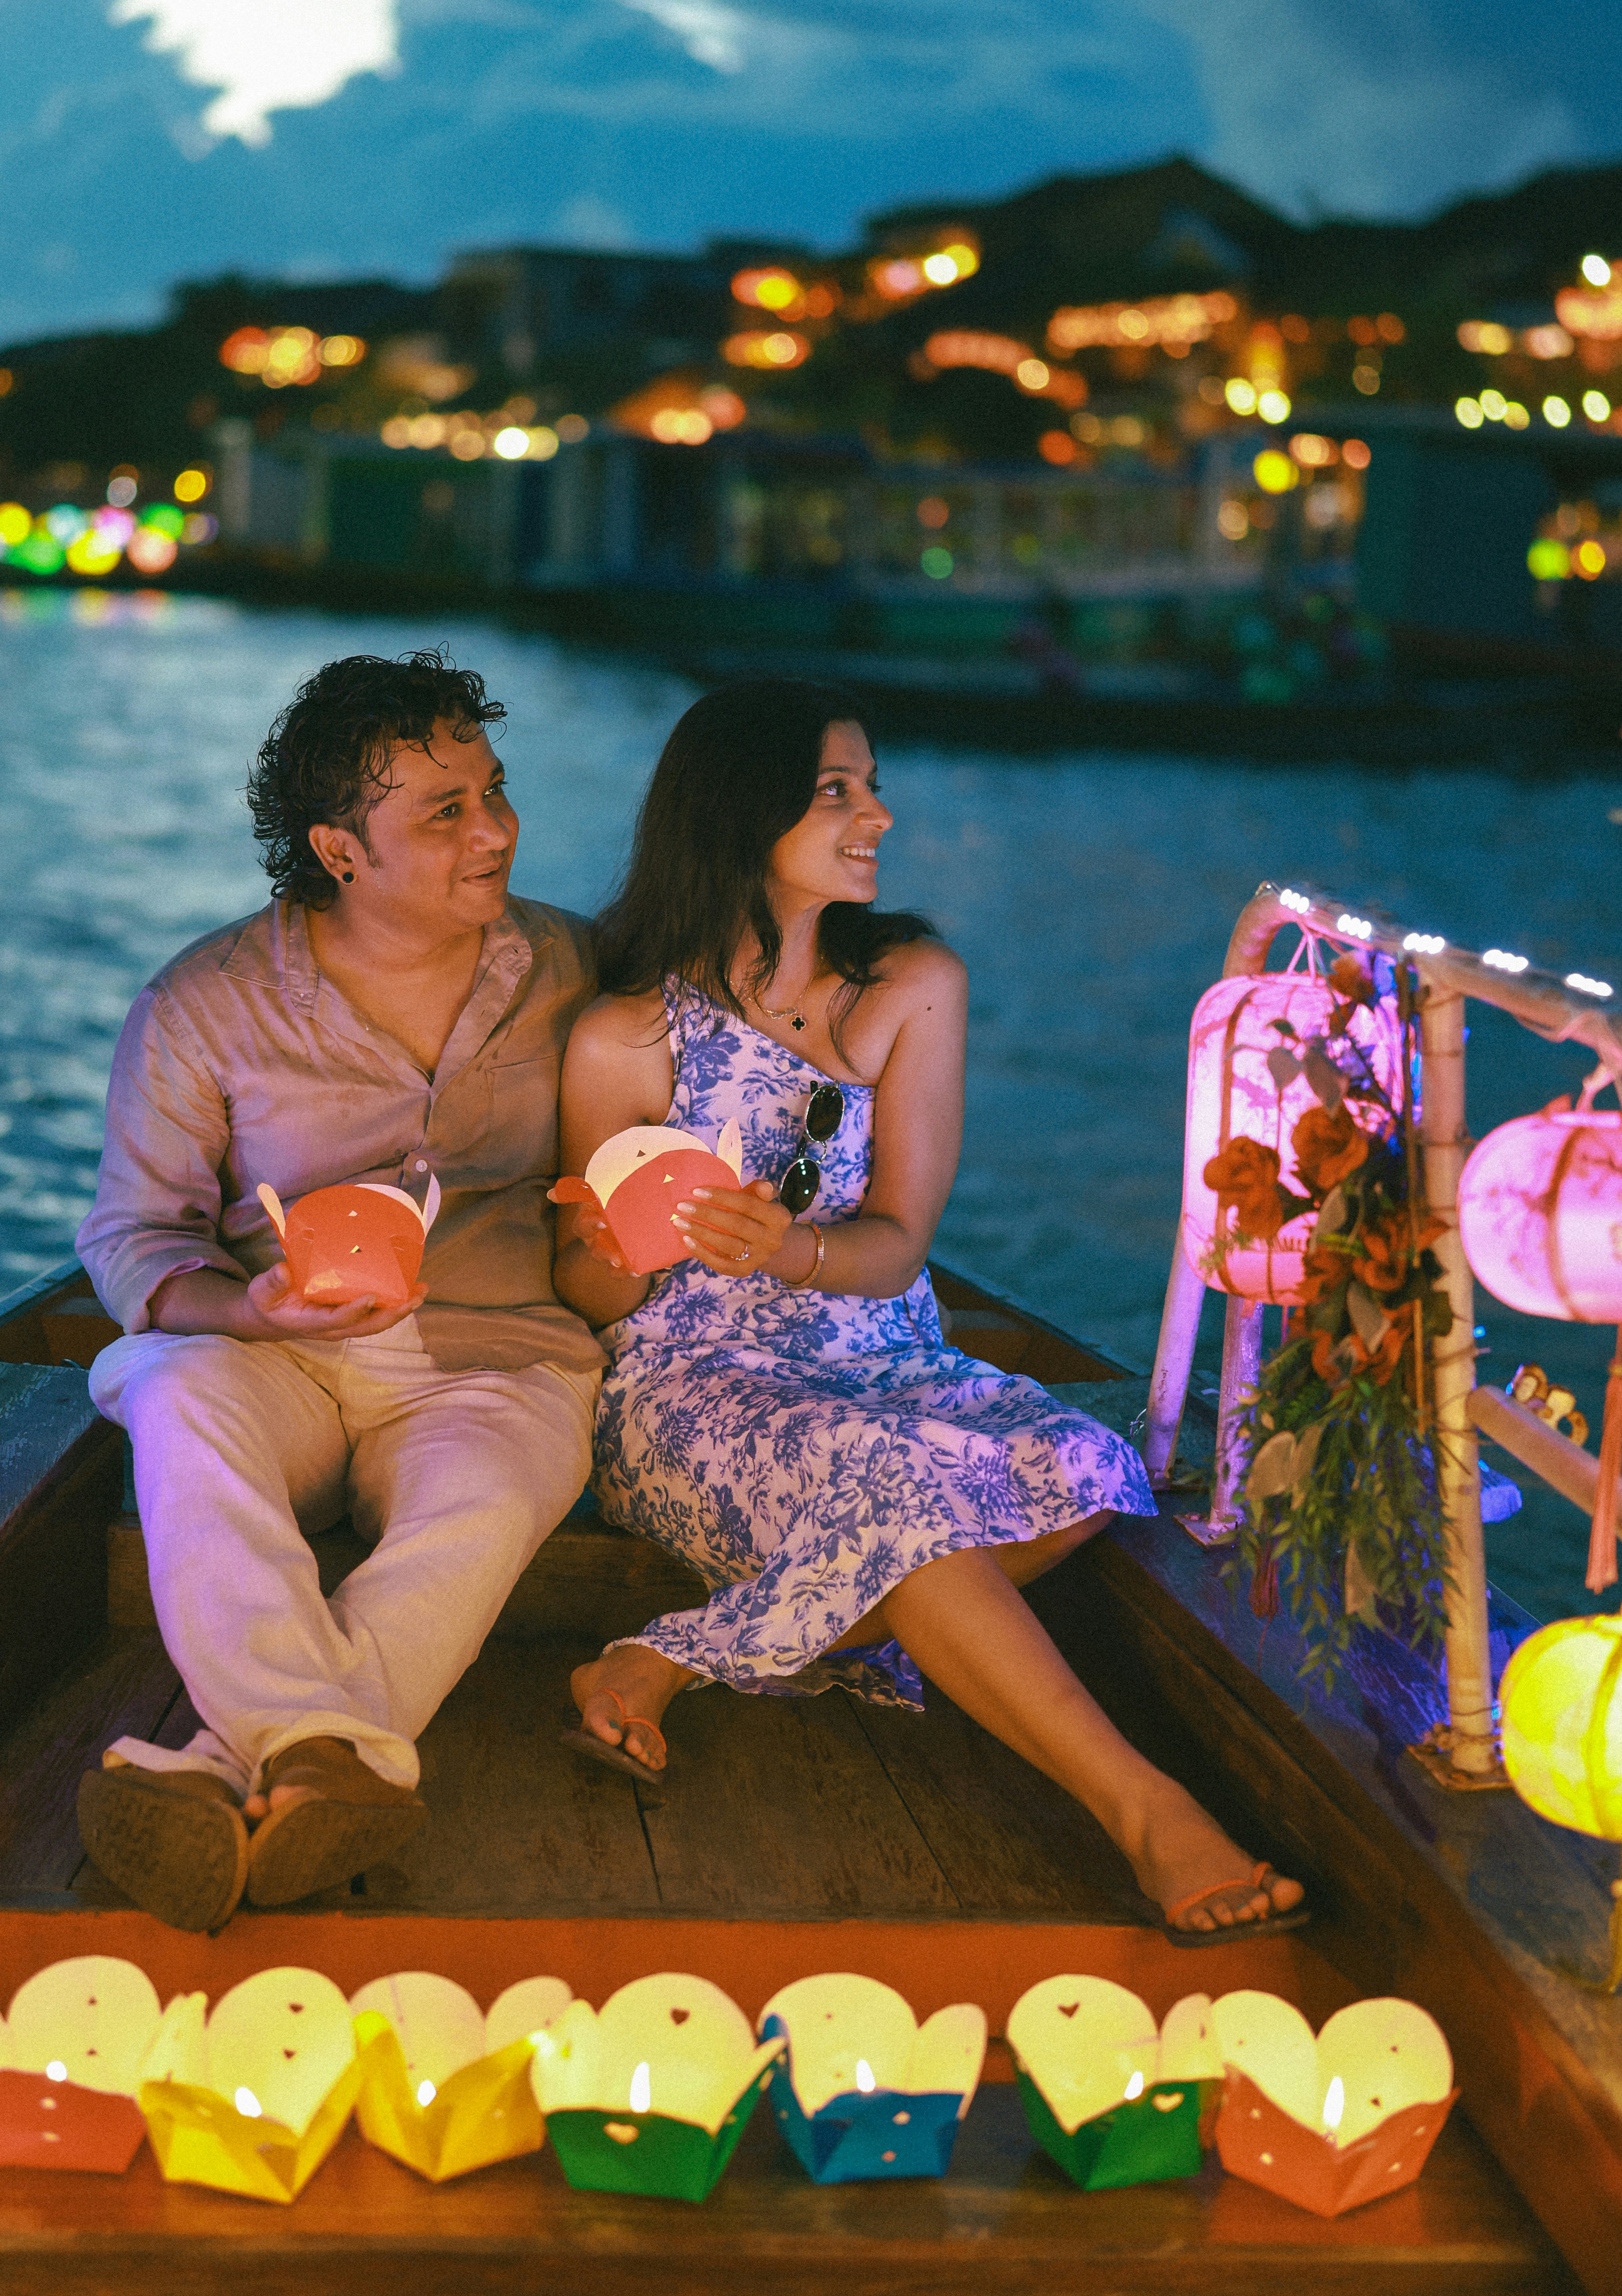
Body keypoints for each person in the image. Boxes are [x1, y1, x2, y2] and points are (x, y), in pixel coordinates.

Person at [551, 681, 1306, 1945]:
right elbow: (591, 1296)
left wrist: (790, 1249)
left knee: (1087, 1457)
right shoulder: (625, 1038)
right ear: (743, 812)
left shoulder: (909, 983)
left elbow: (900, 1242)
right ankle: (1144, 1811)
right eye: (838, 790)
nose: (879, 817)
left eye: (870, 784)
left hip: (880, 1346)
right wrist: (605, 1249)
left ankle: (666, 1657)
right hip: (690, 1383)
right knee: (901, 1502)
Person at [75, 651, 602, 1931]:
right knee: (177, 1400)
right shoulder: (205, 1004)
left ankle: (232, 1766)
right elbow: (134, 1235)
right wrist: (249, 1312)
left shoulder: (583, 971)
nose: (494, 832)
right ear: (337, 848)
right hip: (279, 1361)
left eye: (493, 792)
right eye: (444, 811)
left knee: (480, 1504)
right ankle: (328, 1754)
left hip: (496, 1358)